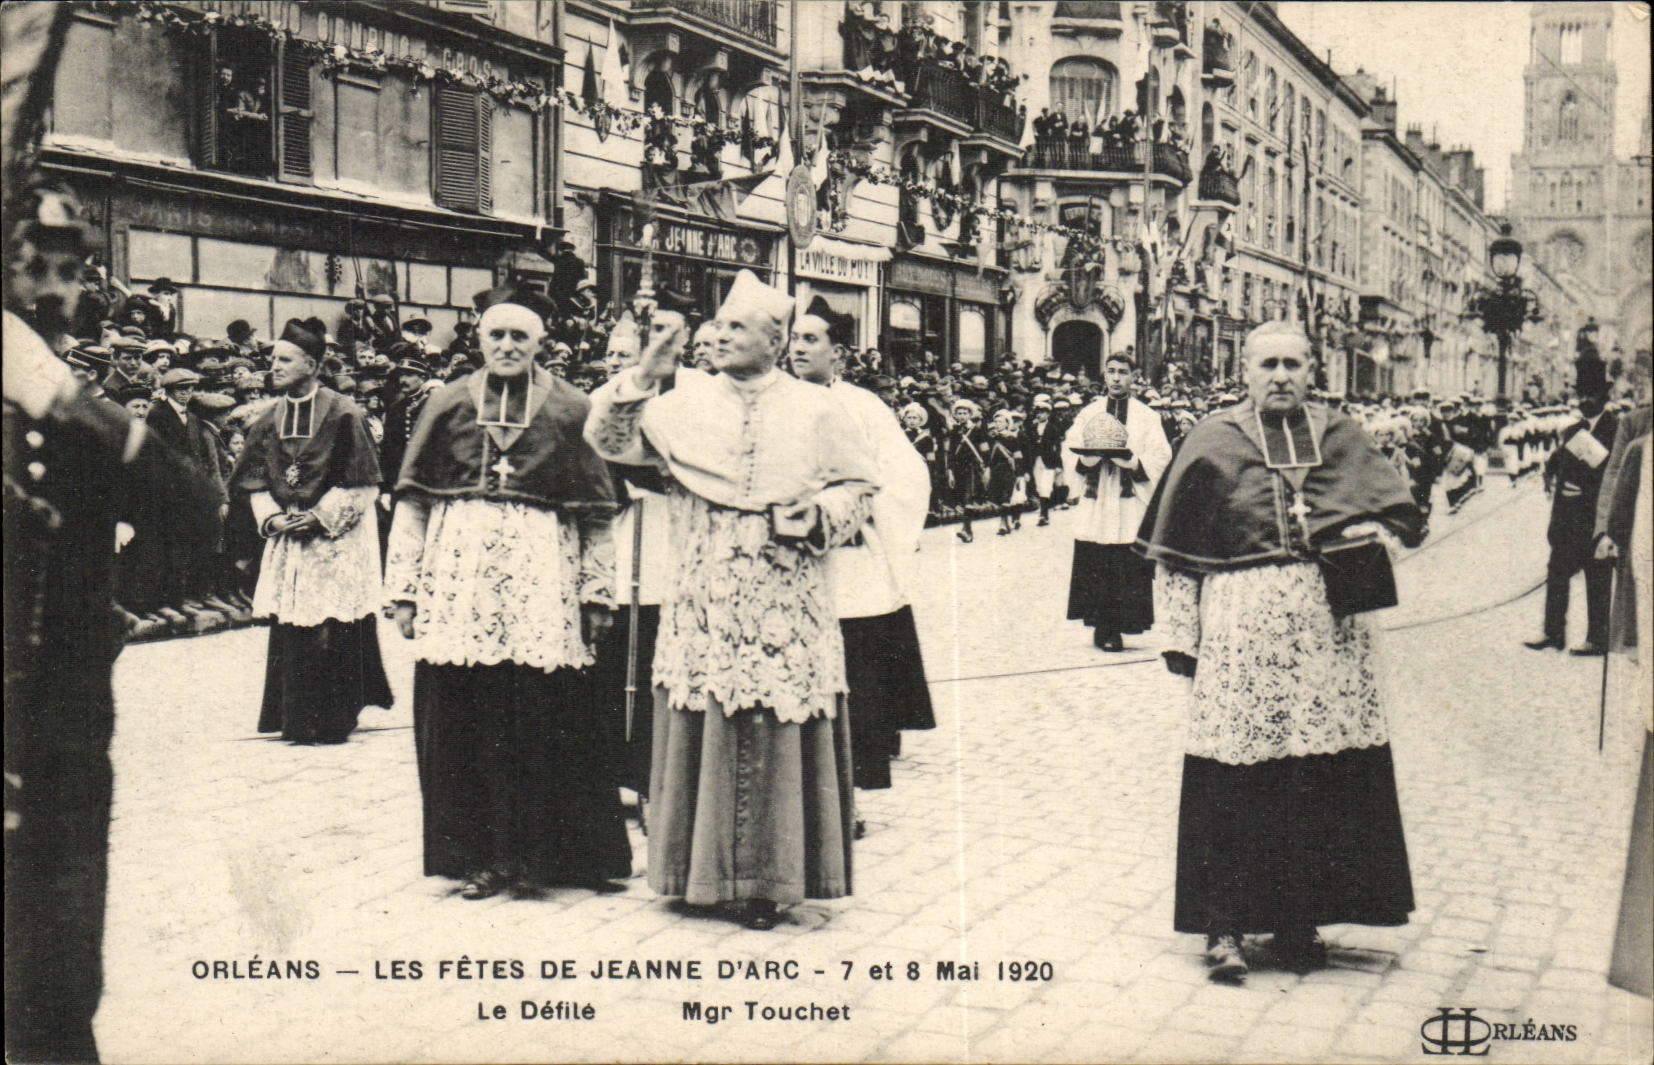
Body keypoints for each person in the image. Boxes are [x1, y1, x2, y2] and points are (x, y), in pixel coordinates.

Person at [584, 270, 878, 930]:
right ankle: (698, 874)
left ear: (775, 341)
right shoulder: (684, 401)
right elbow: (605, 440)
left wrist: (819, 514)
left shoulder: (819, 409)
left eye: (735, 326)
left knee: (774, 721)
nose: (717, 334)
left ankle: (770, 880)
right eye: (715, 325)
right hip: (705, 595)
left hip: (785, 594)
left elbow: (858, 489)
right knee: (706, 714)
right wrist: (640, 376)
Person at [1136, 321, 1426, 982]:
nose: (1282, 375)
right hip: (1240, 635)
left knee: (1312, 781)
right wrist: (1179, 635)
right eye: (1268, 363)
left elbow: (1395, 520)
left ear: (1313, 368)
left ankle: (1299, 917)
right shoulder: (1211, 440)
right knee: (1235, 776)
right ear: (1245, 369)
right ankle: (1225, 925)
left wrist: (1368, 535)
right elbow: (1176, 556)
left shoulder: (1342, 435)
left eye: (1294, 363)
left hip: (1331, 640)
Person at [4, 178, 215, 1065]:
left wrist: (65, 401)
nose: (55, 290)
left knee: (56, 960)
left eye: (70, 270)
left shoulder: (74, 407)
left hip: (63, 720)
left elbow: (195, 509)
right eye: (31, 269)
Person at [387, 286, 631, 899]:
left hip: (542, 591)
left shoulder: (573, 409)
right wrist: (405, 591)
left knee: (547, 718)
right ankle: (480, 857)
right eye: (496, 334)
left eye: (520, 336)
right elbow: (413, 504)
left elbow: (598, 515)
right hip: (460, 589)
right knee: (468, 723)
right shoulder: (445, 403)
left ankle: (554, 856)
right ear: (478, 338)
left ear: (540, 343)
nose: (507, 345)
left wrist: (597, 595)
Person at [790, 297, 934, 825]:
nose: (799, 348)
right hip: (788, 557)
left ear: (839, 353)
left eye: (811, 340)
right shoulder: (776, 400)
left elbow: (906, 476)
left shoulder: (863, 408)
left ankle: (843, 800)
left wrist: (856, 509)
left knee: (851, 678)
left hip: (848, 562)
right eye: (795, 339)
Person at [230, 320, 392, 744]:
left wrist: (319, 517)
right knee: (294, 626)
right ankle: (297, 717)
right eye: (273, 359)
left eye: (285, 360)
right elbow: (253, 481)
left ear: (313, 365)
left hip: (335, 537)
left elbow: (364, 483)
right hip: (290, 534)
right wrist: (272, 517)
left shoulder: (345, 414)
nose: (274, 367)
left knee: (335, 623)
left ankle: (335, 716)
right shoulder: (268, 418)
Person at [1064, 351, 1172, 651]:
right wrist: (1086, 460)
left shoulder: (1147, 416)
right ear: (1104, 375)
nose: (1115, 377)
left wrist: (1134, 463)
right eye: (1110, 371)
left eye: (1122, 372)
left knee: (1124, 562)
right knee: (1096, 559)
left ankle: (1121, 625)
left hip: (1127, 501)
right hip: (1097, 498)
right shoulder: (1089, 412)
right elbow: (1069, 444)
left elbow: (1162, 455)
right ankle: (1101, 625)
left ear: (1133, 377)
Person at [1525, 354, 1619, 655]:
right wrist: (1551, 478)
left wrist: (1586, 493)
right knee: (1556, 574)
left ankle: (1597, 638)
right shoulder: (1571, 431)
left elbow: (1615, 475)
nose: (1585, 399)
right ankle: (1553, 633)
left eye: (1592, 393)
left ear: (1605, 395)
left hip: (1595, 519)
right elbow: (1559, 468)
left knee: (1598, 578)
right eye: (1582, 393)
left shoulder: (1616, 429)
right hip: (1567, 521)